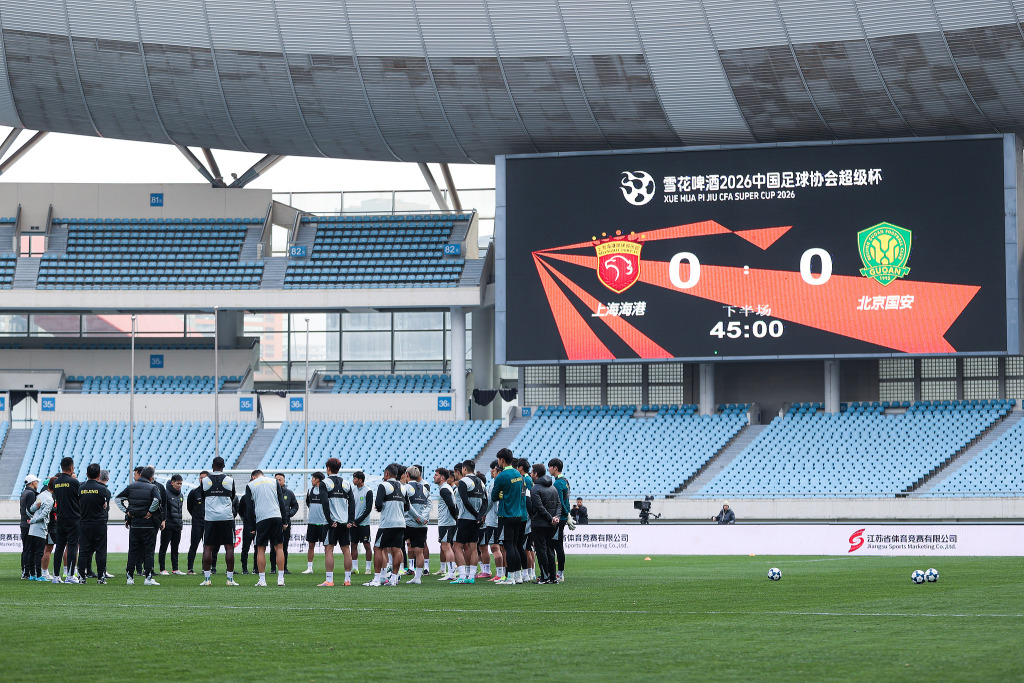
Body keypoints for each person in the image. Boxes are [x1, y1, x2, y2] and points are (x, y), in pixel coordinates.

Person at [114, 465, 162, 585]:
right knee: (149, 551)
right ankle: (148, 578)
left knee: (133, 550)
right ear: (151, 477)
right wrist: (150, 512)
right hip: (148, 524)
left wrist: (127, 511)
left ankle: (130, 577)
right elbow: (157, 500)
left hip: (135, 524)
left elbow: (118, 499)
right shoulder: (152, 487)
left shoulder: (131, 487)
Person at [243, 469, 290, 587]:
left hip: (262, 518)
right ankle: (281, 579)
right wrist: (284, 521)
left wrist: (252, 526)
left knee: (260, 549)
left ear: (253, 477)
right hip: (276, 516)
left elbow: (249, 508)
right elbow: (281, 501)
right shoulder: (274, 481)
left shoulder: (250, 485)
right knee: (279, 547)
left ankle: (262, 580)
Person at [364, 464, 408, 587]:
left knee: (378, 548)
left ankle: (377, 579)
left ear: (386, 474)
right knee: (397, 549)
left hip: (387, 523)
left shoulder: (383, 485)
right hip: (401, 523)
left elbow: (378, 504)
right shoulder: (403, 487)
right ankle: (393, 578)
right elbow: (407, 507)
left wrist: (382, 507)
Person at [200, 456, 239, 586]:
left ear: (212, 466)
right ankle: (230, 579)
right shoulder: (230, 480)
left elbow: (203, 497)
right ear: (224, 466)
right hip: (226, 517)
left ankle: (207, 579)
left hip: (210, 518)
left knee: (208, 547)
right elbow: (233, 497)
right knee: (229, 547)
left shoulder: (205, 480)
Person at [492, 448, 527, 585]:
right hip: (518, 515)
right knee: (515, 545)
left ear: (502, 460)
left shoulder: (501, 476)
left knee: (509, 546)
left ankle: (510, 577)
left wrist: (501, 494)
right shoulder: (518, 474)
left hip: (506, 514)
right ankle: (518, 576)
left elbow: (494, 496)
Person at [319, 457, 356, 587]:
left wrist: (330, 520)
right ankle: (347, 580)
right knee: (346, 550)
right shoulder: (346, 483)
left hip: (331, 523)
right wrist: (350, 520)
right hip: (344, 522)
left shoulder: (324, 483)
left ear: (328, 468)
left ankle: (329, 580)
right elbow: (352, 503)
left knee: (329, 549)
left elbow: (324, 503)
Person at [451, 460, 486, 585]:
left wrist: (476, 515)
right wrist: (479, 516)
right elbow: (485, 502)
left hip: (465, 518)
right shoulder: (480, 482)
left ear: (464, 469)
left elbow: (465, 502)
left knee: (457, 546)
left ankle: (461, 575)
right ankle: (471, 576)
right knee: (473, 548)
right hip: (476, 521)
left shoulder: (463, 482)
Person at [50, 456, 82, 584]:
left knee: (59, 547)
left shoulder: (56, 483)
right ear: (71, 468)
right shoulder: (75, 482)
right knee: (72, 546)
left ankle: (56, 576)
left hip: (60, 518)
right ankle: (70, 575)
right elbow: (79, 499)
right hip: (73, 518)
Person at [527, 464, 561, 584]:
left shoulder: (535, 489)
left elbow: (539, 507)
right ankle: (553, 577)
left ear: (536, 474)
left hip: (540, 523)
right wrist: (555, 517)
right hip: (552, 524)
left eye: (532, 472)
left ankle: (544, 577)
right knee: (550, 549)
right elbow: (559, 504)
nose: (531, 474)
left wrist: (550, 518)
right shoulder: (553, 487)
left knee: (541, 550)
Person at [78, 463, 111, 584]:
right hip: (99, 523)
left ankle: (82, 577)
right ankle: (101, 577)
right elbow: (105, 505)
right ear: (98, 475)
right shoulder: (103, 490)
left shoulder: (81, 488)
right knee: (101, 550)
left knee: (83, 550)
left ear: (87, 474)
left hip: (84, 522)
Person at [401, 466, 430, 584]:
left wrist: (417, 516)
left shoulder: (405, 488)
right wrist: (423, 517)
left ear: (407, 475)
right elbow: (429, 505)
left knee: (396, 548)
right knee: (419, 551)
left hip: (408, 523)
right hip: (421, 525)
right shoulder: (424, 489)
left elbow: (406, 504)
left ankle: (396, 573)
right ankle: (417, 578)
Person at [186, 471, 217, 575]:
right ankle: (190, 568)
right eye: (200, 478)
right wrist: (197, 516)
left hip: (209, 523)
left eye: (204, 478)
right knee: (194, 545)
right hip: (197, 523)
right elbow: (190, 507)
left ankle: (206, 568)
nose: (201, 479)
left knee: (208, 547)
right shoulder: (194, 492)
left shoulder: (213, 492)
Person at [270, 473, 299, 574]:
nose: (278, 481)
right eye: (276, 480)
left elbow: (295, 506)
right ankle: (273, 568)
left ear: (284, 481)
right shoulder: (271, 492)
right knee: (273, 546)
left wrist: (289, 514)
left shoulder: (289, 493)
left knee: (284, 546)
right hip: (273, 523)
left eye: (280, 479)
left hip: (286, 523)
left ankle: (284, 567)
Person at [302, 472, 330, 574]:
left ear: (317, 479)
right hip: (312, 523)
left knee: (326, 546)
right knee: (311, 545)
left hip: (323, 523)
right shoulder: (310, 490)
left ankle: (328, 568)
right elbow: (308, 503)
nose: (311, 480)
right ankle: (310, 568)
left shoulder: (326, 491)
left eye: (313, 478)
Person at [548, 458, 571, 582]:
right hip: (562, 517)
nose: (549, 470)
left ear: (555, 468)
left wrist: (566, 514)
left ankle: (559, 573)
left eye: (550, 467)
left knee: (556, 545)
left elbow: (560, 502)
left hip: (559, 518)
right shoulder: (565, 481)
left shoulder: (557, 483)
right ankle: (558, 572)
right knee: (557, 545)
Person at [25, 478, 52, 581]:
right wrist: (33, 520)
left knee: (32, 552)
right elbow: (43, 515)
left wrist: (33, 515)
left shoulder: (40, 495)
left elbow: (31, 509)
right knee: (39, 553)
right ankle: (39, 575)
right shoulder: (50, 499)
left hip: (32, 529)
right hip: (40, 528)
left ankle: (32, 574)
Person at [159, 474, 185, 575]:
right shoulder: (165, 494)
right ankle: (162, 569)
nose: (179, 485)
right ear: (172, 483)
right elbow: (163, 509)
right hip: (168, 525)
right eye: (178, 483)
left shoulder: (181, 495)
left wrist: (180, 523)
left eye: (181, 484)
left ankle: (175, 569)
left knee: (175, 548)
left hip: (177, 525)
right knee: (164, 547)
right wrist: (164, 521)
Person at [434, 468, 457, 580]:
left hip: (447, 522)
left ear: (442, 477)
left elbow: (451, 505)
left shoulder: (444, 489)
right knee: (447, 546)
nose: (434, 477)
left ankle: (451, 573)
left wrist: (454, 517)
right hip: (447, 521)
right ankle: (451, 572)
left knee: (446, 547)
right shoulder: (445, 488)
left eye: (436, 475)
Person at [483, 461, 505, 582]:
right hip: (502, 518)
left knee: (495, 547)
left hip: (493, 520)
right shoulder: (506, 483)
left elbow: (490, 501)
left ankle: (499, 574)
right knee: (502, 547)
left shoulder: (495, 484)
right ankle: (504, 573)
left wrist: (483, 514)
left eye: (494, 469)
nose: (492, 471)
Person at [349, 471, 373, 575]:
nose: (353, 480)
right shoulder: (352, 490)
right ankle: (355, 568)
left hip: (363, 524)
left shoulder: (368, 491)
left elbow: (368, 509)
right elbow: (350, 506)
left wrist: (357, 521)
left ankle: (368, 568)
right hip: (354, 524)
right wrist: (352, 520)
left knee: (366, 545)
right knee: (353, 544)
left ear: (360, 480)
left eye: (355, 479)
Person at [517, 458, 536, 582]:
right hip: (529, 516)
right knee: (528, 548)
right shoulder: (527, 479)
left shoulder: (526, 479)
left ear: (520, 468)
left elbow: (529, 498)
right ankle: (530, 572)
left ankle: (528, 572)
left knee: (526, 548)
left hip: (526, 516)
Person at [238, 471, 258, 574]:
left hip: (258, 524)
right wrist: (246, 519)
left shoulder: (259, 497)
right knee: (245, 548)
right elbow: (240, 510)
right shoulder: (244, 498)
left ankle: (256, 568)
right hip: (248, 525)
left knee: (258, 548)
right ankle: (244, 569)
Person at [19, 475, 39, 580]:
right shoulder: (31, 494)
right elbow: (31, 510)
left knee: (25, 548)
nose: (37, 483)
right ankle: (27, 572)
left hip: (23, 523)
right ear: (32, 482)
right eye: (36, 482)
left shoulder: (24, 492)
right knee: (30, 549)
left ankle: (24, 571)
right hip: (28, 524)